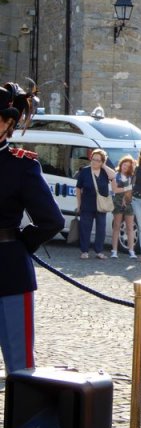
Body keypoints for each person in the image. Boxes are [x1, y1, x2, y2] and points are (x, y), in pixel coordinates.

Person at [0, 81, 64, 373]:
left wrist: (19, 243)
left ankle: (22, 421)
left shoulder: (21, 166)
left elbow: (52, 220)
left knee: (20, 368)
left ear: (7, 122)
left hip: (9, 273)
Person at [75, 148, 115, 260]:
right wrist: (79, 204)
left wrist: (104, 166)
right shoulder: (85, 171)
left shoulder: (104, 172)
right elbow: (78, 188)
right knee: (85, 228)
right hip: (87, 205)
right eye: (93, 159)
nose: (94, 162)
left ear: (102, 161)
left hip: (101, 206)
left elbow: (113, 176)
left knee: (101, 229)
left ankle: (99, 251)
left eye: (98, 160)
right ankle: (84, 251)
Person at [110, 155, 137, 259]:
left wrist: (126, 198)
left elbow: (132, 190)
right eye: (124, 165)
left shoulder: (132, 177)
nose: (125, 167)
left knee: (130, 228)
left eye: (127, 166)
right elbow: (115, 190)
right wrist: (127, 188)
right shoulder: (115, 175)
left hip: (128, 202)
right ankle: (114, 251)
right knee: (116, 226)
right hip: (117, 202)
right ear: (121, 165)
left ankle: (131, 251)